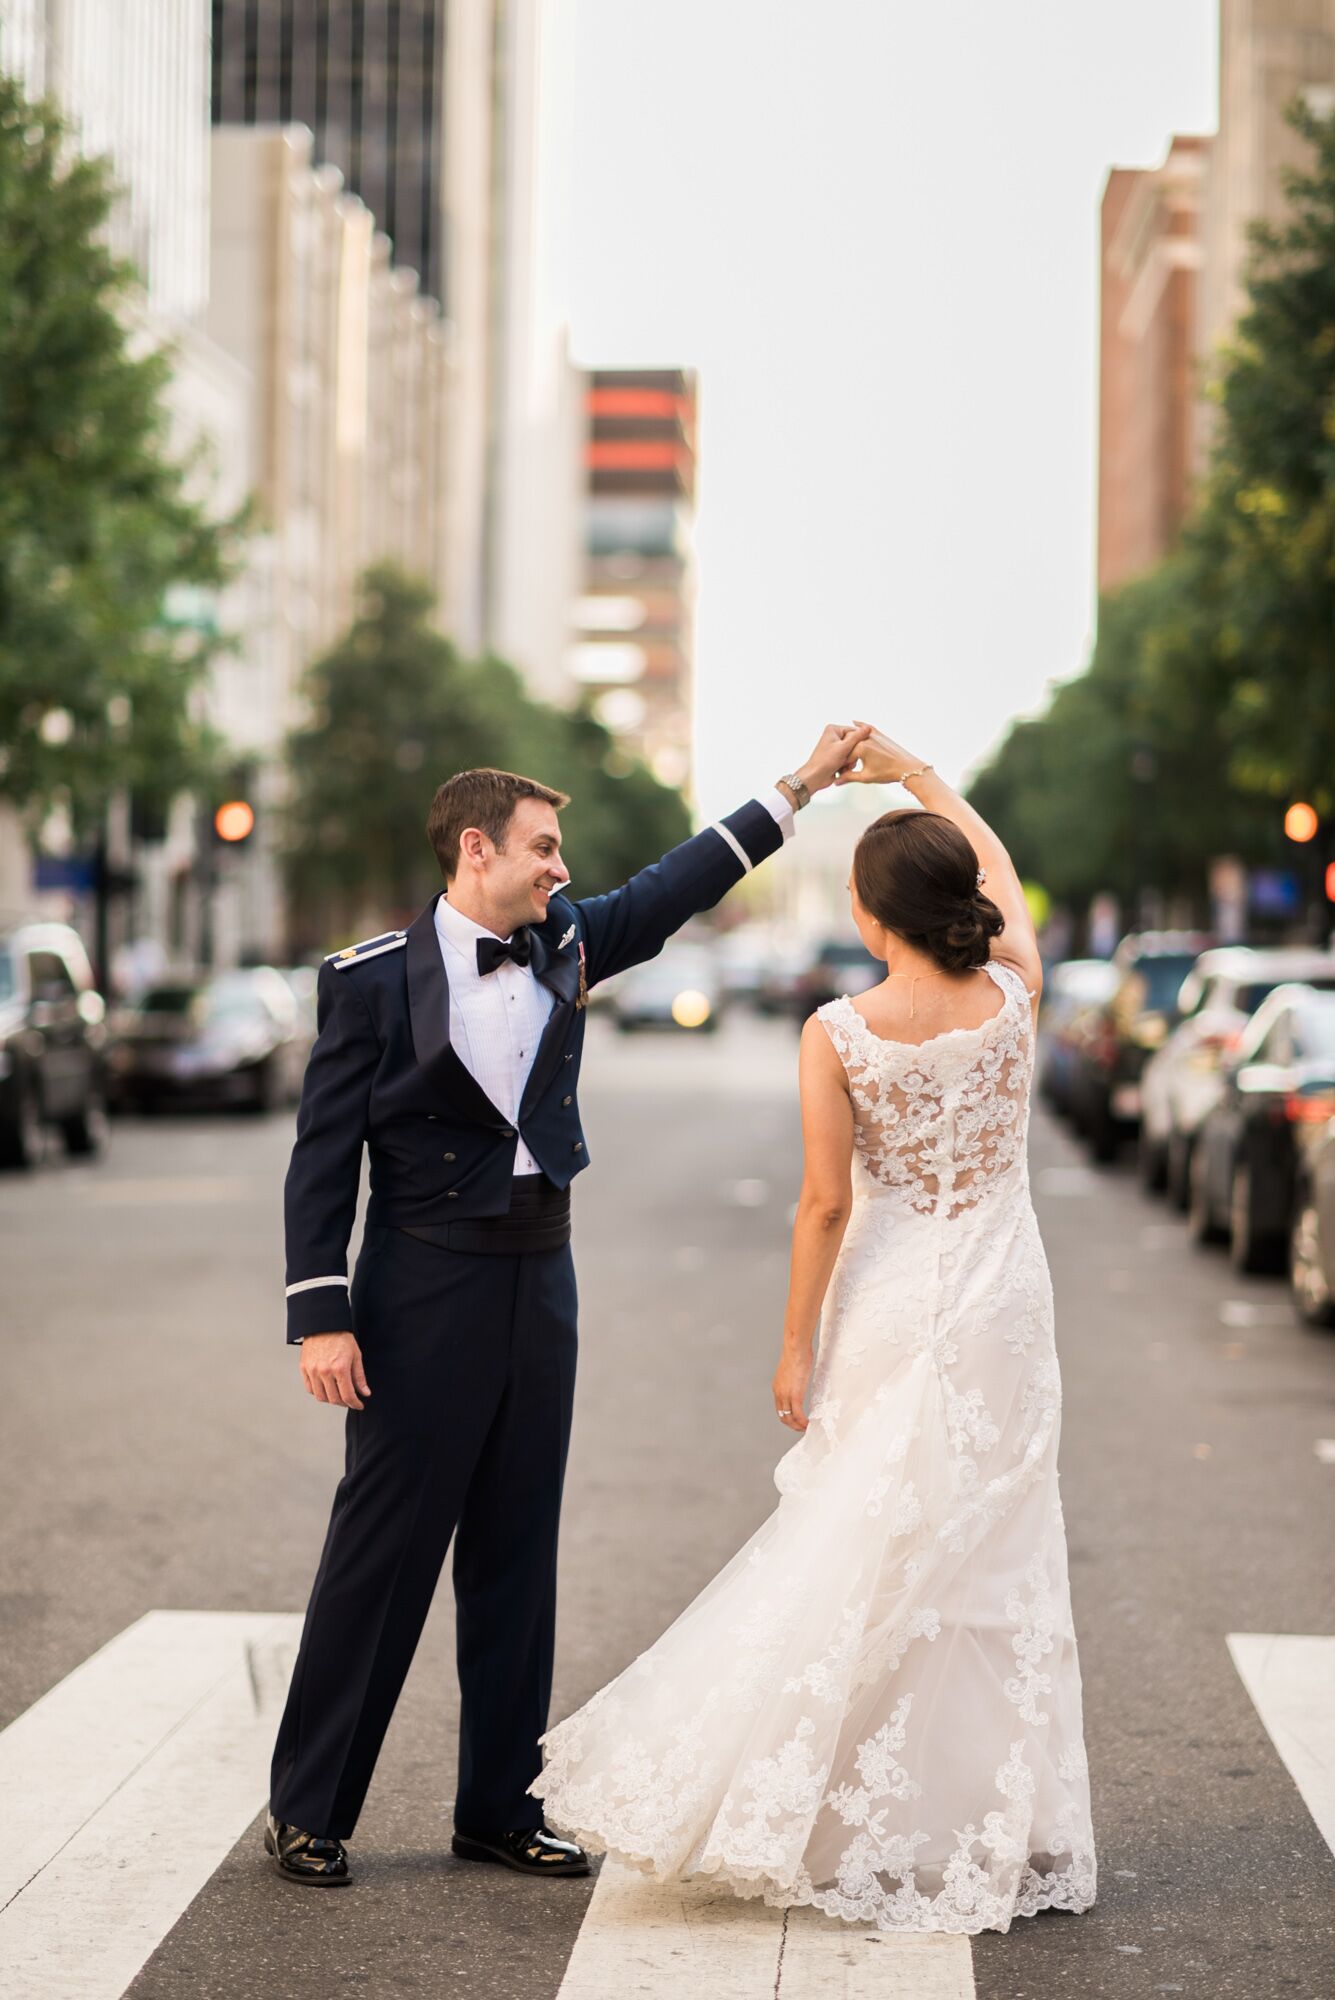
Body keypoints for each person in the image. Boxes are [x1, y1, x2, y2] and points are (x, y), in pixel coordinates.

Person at [264, 724, 871, 1886]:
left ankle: (498, 1804)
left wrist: (794, 790)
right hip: (419, 1282)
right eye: (544, 849)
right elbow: (320, 1156)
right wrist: (320, 1311)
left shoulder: (569, 942)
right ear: (475, 847)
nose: (560, 870)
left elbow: (679, 882)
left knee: (517, 1548)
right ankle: (311, 1803)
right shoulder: (369, 978)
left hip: (542, 1275)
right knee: (381, 1552)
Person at [530, 725, 1098, 1935]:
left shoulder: (837, 1032)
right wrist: (920, 776)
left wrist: (796, 1346)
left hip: (893, 1297)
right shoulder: (1013, 995)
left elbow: (827, 1205)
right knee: (992, 1551)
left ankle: (825, 1800)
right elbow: (995, 866)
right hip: (1002, 1297)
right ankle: (996, 1816)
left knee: (858, 1537)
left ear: (864, 906)